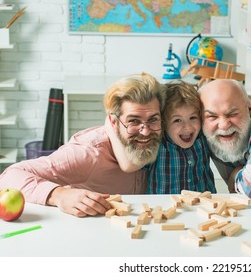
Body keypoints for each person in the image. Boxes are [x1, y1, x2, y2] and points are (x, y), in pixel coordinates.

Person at [0, 73, 166, 217]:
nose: (145, 132)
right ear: (113, 121)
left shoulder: (163, 136)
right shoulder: (88, 153)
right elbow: (9, 176)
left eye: (153, 119)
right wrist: (59, 195)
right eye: (133, 121)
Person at [108, 80, 251, 194]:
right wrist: (110, 124)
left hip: (205, 205)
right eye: (177, 120)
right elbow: (129, 162)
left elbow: (222, 100)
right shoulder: (157, 143)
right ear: (163, 122)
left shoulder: (202, 137)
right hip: (166, 211)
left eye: (193, 118)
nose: (187, 127)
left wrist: (250, 100)